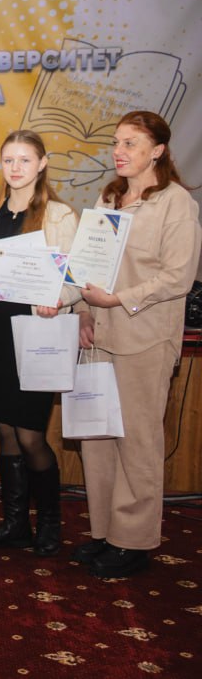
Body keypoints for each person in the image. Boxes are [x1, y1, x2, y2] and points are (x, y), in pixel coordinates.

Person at [73, 111, 201, 578]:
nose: (119, 151)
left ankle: (133, 541)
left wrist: (118, 299)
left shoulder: (176, 203)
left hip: (143, 339)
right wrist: (83, 310)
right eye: (116, 142)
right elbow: (87, 263)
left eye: (131, 143)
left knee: (137, 442)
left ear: (158, 150)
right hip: (99, 336)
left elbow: (178, 276)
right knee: (97, 439)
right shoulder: (108, 197)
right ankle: (104, 532)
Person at [0, 131, 79, 557]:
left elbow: (77, 280)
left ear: (42, 163)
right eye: (9, 160)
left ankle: (49, 523)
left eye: (25, 160)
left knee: (31, 435)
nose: (15, 168)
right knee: (5, 432)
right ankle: (15, 524)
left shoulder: (61, 215)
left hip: (36, 333)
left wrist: (58, 298)